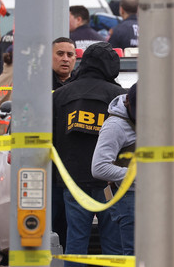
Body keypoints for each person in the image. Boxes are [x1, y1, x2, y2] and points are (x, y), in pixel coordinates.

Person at [53, 42, 125, 265]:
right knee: (114, 245)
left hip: (73, 183)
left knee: (76, 244)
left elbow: (51, 139)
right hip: (110, 184)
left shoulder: (60, 95)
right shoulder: (120, 97)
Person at [92, 83, 139, 255]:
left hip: (149, 198)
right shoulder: (115, 126)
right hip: (128, 198)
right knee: (132, 255)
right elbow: (99, 168)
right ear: (128, 102)